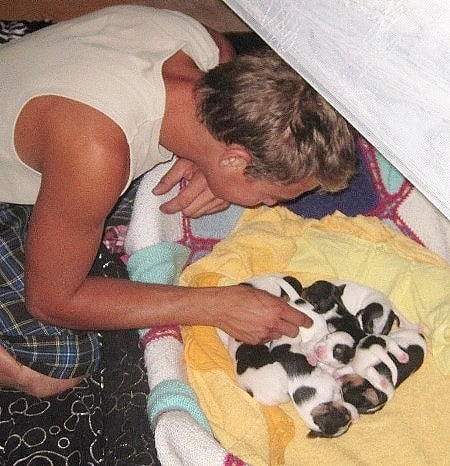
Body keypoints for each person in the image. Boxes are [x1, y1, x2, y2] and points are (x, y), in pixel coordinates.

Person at [0, 5, 356, 398]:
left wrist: (204, 162)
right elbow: (51, 301)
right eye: (271, 194)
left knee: (171, 195)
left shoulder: (203, 45)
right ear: (235, 159)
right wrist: (215, 306)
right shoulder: (96, 154)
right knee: (60, 363)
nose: (271, 204)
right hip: (60, 159)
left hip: (38, 98)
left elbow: (225, 54)